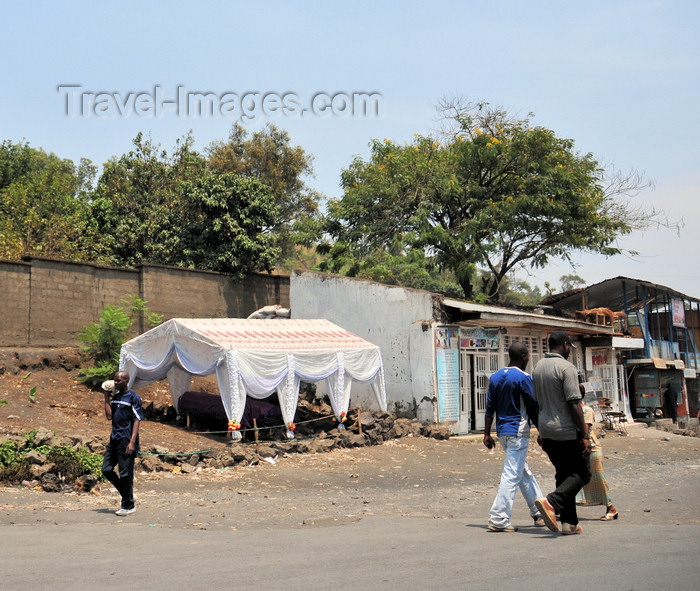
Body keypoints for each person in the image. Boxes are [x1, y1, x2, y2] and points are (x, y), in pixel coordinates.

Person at [532, 330, 591, 535]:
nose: (569, 351)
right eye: (569, 347)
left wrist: (540, 428)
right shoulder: (567, 368)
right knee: (583, 474)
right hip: (566, 431)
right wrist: (585, 435)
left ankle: (569, 523)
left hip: (547, 431)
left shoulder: (538, 367)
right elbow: (574, 403)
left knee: (564, 475)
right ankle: (551, 502)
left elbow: (536, 402)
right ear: (565, 345)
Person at [483, 342, 545, 532]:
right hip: (518, 431)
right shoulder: (524, 377)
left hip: (502, 432)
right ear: (524, 356)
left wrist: (486, 434)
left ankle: (539, 511)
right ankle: (499, 517)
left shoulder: (495, 377)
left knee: (522, 471)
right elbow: (532, 405)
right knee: (512, 474)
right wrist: (541, 430)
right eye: (528, 356)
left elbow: (489, 408)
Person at [102, 371, 143, 516]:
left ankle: (128, 505)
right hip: (114, 440)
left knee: (125, 474)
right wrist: (106, 396)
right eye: (115, 380)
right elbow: (109, 416)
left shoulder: (133, 397)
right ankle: (127, 497)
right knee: (106, 469)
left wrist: (132, 442)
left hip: (126, 441)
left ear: (126, 380)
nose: (116, 383)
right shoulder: (116, 397)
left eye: (118, 380)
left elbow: (137, 420)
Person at [576, 401, 618, 521]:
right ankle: (561, 507)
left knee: (598, 477)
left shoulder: (587, 410)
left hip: (591, 447)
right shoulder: (569, 409)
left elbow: (585, 429)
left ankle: (611, 508)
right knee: (572, 478)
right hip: (577, 448)